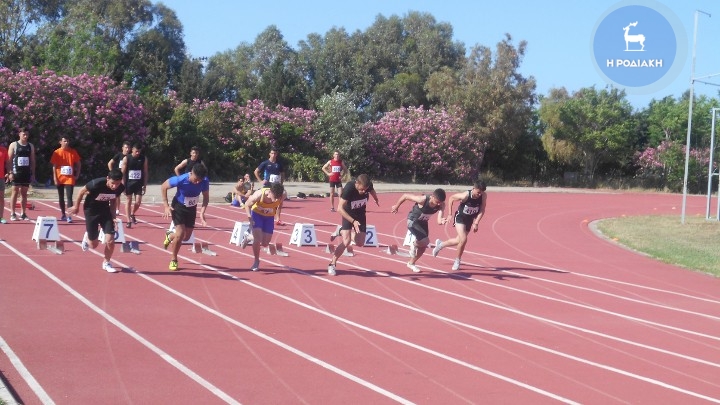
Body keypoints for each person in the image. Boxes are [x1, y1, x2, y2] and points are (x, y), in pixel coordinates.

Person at [70, 169, 125, 273]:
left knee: (110, 240)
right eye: (113, 183)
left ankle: (106, 262)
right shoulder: (96, 183)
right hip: (91, 211)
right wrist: (76, 207)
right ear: (108, 179)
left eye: (117, 183)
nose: (115, 186)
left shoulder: (120, 188)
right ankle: (88, 236)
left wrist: (113, 217)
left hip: (105, 211)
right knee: (93, 245)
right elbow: (81, 191)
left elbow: (113, 201)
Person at [327, 174, 379, 276]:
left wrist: (376, 198)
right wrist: (353, 221)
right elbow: (339, 209)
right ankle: (332, 264)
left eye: (365, 190)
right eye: (362, 189)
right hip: (348, 213)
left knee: (360, 243)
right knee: (346, 241)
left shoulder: (368, 186)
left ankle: (341, 231)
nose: (363, 192)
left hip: (360, 214)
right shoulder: (349, 188)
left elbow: (372, 191)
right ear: (357, 183)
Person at [161, 163, 210, 271]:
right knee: (180, 234)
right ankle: (174, 259)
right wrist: (166, 206)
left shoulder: (205, 181)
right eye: (195, 179)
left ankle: (170, 236)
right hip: (178, 206)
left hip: (192, 208)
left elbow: (206, 198)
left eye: (200, 180)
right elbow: (164, 186)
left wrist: (202, 213)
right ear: (191, 173)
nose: (197, 182)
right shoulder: (181, 179)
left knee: (186, 238)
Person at [433, 181, 487, 271]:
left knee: (458, 241)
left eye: (481, 192)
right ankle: (457, 260)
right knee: (464, 239)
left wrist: (476, 222)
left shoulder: (483, 195)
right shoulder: (465, 195)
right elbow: (451, 198)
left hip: (470, 219)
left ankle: (440, 245)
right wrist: (450, 214)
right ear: (474, 188)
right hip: (460, 218)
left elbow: (482, 209)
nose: (479, 194)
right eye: (478, 192)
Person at [391, 188, 447, 273]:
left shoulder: (442, 205)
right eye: (437, 202)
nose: (438, 204)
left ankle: (411, 263)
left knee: (423, 247)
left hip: (423, 223)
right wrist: (396, 206)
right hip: (412, 221)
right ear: (432, 197)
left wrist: (442, 221)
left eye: (440, 202)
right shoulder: (422, 200)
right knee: (426, 241)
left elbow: (439, 221)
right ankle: (413, 245)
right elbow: (405, 196)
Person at [240, 182, 285, 272]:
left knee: (265, 243)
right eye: (275, 197)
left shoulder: (283, 195)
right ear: (270, 192)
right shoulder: (259, 195)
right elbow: (247, 205)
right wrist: (250, 218)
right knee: (258, 240)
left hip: (269, 217)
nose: (276, 199)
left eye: (278, 197)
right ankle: (256, 260)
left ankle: (248, 237)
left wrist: (277, 216)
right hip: (257, 215)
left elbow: (280, 205)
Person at [50, 135, 82, 223]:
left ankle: (69, 216)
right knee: (61, 197)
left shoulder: (73, 151)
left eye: (67, 141)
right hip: (59, 177)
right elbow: (54, 166)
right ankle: (63, 214)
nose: (66, 143)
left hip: (69, 178)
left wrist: (77, 175)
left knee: (69, 197)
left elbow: (79, 163)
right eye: (64, 141)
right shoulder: (57, 152)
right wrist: (55, 178)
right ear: (60, 142)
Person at [7, 128, 36, 221]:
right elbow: (9, 160)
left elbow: (32, 160)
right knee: (15, 192)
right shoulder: (14, 145)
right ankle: (12, 213)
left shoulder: (30, 146)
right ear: (19, 134)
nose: (25, 136)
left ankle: (23, 213)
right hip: (16, 172)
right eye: (24, 134)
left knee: (24, 193)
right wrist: (10, 172)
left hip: (26, 172)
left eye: (27, 135)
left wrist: (33, 174)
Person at [254, 148, 287, 225]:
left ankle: (278, 219)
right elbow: (256, 171)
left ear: (277, 154)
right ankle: (262, 215)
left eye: (275, 153)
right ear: (269, 154)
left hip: (276, 186)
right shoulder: (265, 163)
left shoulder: (279, 164)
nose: (273, 155)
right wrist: (260, 181)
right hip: (267, 185)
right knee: (266, 201)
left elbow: (282, 174)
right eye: (272, 153)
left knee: (280, 202)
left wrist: (281, 183)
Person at [121, 143, 148, 228]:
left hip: (138, 183)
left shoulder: (143, 158)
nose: (138, 153)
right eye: (136, 151)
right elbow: (122, 173)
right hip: (129, 183)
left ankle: (132, 213)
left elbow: (145, 172)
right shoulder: (126, 158)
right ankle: (128, 220)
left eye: (139, 151)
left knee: (138, 202)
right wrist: (123, 185)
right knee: (128, 200)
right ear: (132, 150)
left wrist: (145, 185)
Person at [108, 141, 130, 215]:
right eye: (126, 147)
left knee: (127, 194)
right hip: (118, 177)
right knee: (117, 194)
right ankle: (117, 209)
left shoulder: (130, 157)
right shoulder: (119, 155)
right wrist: (113, 173)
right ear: (122, 148)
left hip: (127, 177)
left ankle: (127, 210)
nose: (127, 149)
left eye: (129, 148)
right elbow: (109, 163)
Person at [0, 142, 8, 224]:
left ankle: (1, 217)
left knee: (1, 198)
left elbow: (7, 162)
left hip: (1, 177)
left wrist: (9, 172)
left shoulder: (3, 150)